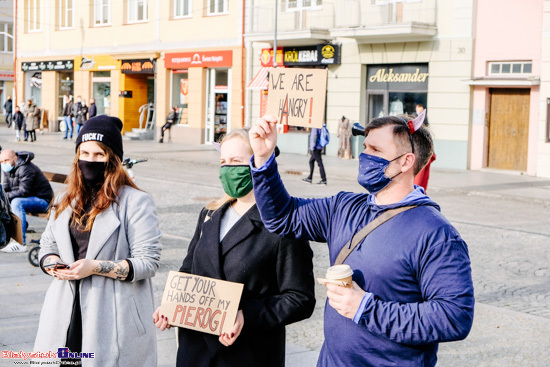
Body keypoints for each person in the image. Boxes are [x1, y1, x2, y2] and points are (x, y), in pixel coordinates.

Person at [248, 114, 475, 367]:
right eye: (364, 147)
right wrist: (264, 159)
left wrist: (366, 308)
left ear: (406, 161)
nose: (364, 157)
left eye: (375, 149)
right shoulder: (343, 206)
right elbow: (283, 217)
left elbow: (454, 316)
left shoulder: (436, 234)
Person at [153, 129, 315, 367]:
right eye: (223, 162)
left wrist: (246, 315)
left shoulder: (284, 224)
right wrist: (172, 306)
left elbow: (300, 298)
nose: (228, 168)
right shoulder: (210, 213)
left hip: (248, 354)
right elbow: (188, 271)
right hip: (195, 351)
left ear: (259, 162)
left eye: (236, 161)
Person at [34, 115, 162, 366]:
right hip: (65, 308)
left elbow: (148, 262)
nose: (89, 161)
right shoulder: (65, 198)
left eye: (99, 155)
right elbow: (47, 244)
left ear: (113, 159)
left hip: (111, 312)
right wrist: (51, 262)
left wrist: (93, 266)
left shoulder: (135, 201)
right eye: (84, 153)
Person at [0, 149, 53, 252]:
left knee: (16, 202)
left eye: (6, 160)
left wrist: (5, 196)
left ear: (15, 158)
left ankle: (21, 243)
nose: (3, 163)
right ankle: (4, 237)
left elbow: (24, 191)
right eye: (1, 162)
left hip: (43, 200)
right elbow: (6, 188)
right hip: (28, 199)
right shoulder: (9, 168)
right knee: (4, 200)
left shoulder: (25, 168)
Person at [413, 105, 436, 192]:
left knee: (421, 180)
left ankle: (419, 194)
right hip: (421, 151)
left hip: (422, 152)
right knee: (420, 180)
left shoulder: (424, 119)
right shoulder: (413, 117)